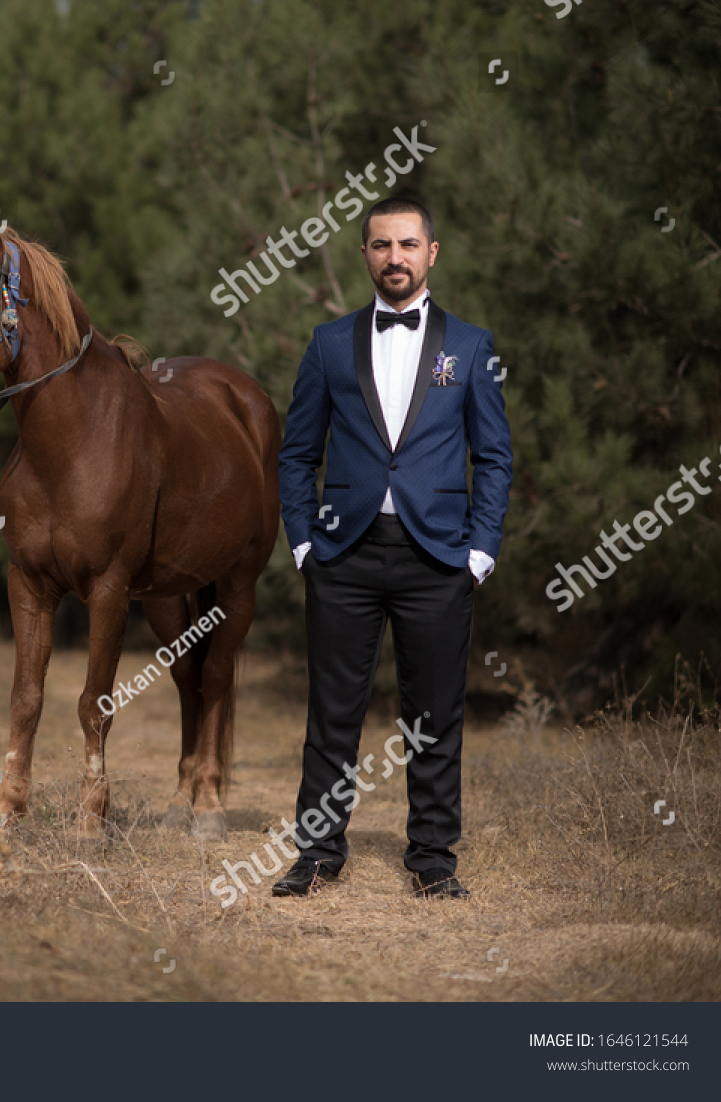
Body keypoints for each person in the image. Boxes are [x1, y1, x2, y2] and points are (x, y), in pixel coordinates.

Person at [272, 197, 512, 899]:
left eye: (408, 244)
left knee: (434, 714)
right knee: (332, 713)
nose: (395, 257)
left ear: (431, 253)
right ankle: (317, 852)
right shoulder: (327, 343)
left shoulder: (470, 346)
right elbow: (296, 454)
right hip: (342, 555)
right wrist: (303, 545)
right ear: (366, 255)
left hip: (438, 556)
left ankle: (433, 859)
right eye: (382, 245)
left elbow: (493, 457)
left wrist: (480, 552)